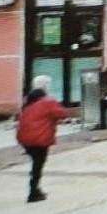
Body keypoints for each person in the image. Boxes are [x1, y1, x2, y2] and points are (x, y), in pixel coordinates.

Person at [16, 74, 63, 203]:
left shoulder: (28, 101)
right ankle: (33, 192)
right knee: (38, 164)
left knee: (36, 163)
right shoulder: (48, 102)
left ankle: (35, 189)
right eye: (48, 84)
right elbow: (61, 113)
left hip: (25, 138)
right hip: (40, 138)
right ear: (45, 87)